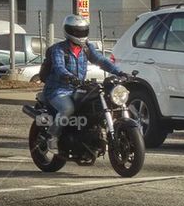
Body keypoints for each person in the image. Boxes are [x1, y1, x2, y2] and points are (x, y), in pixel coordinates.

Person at [42, 15, 124, 148]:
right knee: (68, 108)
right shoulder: (59, 49)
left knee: (97, 104)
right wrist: (70, 77)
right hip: (58, 90)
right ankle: (53, 136)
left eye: (83, 31)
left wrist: (119, 72)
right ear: (68, 31)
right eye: (76, 31)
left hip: (77, 88)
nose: (80, 34)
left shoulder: (87, 48)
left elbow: (101, 60)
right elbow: (59, 67)